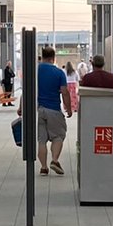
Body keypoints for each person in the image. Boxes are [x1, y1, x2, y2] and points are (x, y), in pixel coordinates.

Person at [35, 46, 72, 176]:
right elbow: (65, 92)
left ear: (42, 56)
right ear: (53, 58)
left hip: (39, 109)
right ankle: (55, 160)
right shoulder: (59, 72)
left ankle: (43, 167)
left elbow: (27, 90)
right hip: (54, 109)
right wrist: (69, 108)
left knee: (41, 140)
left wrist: (21, 107)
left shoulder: (35, 71)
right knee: (58, 136)